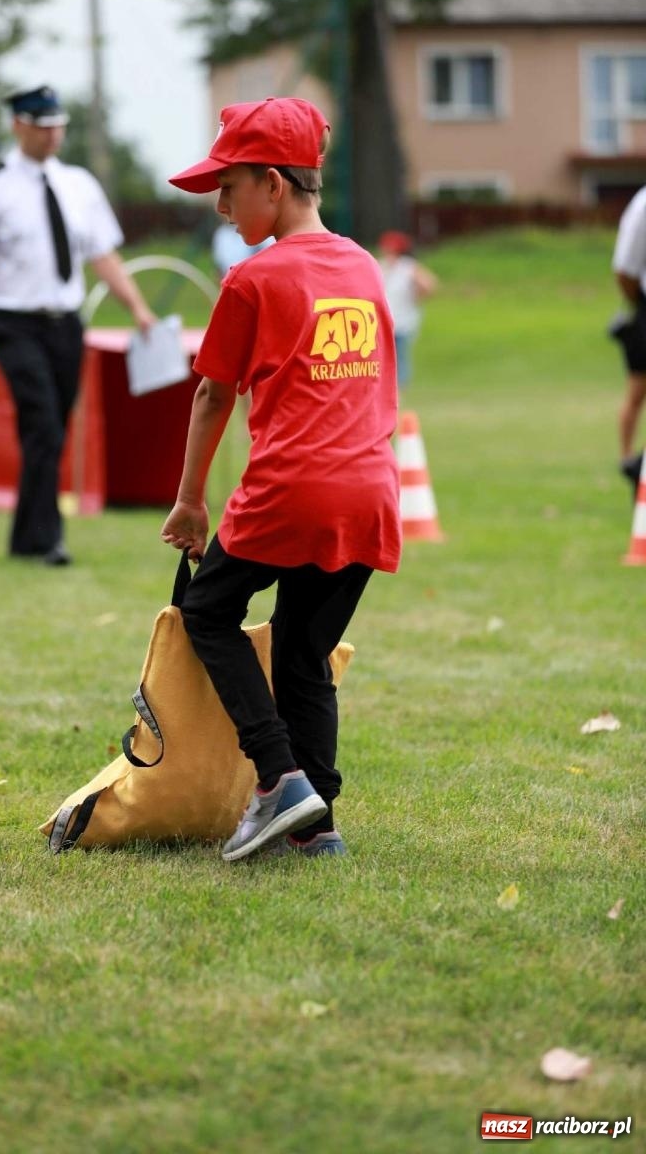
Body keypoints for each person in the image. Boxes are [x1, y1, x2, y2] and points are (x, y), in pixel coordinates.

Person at [161, 97, 401, 862]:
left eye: (228, 188)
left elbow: (212, 394)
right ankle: (317, 825)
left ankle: (277, 778)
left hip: (291, 489)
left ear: (273, 182)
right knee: (304, 653)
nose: (221, 206)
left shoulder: (252, 279)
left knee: (207, 612)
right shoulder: (363, 266)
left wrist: (191, 501)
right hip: (368, 493)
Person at [0, 85, 155, 566]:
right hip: (12, 320)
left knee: (52, 427)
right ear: (18, 125)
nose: (52, 135)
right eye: (42, 127)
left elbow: (103, 255)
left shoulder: (78, 184)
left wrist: (138, 308)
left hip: (65, 323)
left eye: (58, 126)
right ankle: (47, 539)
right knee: (42, 422)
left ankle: (25, 536)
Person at [611, 184, 646, 487]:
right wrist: (637, 304)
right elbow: (625, 269)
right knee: (637, 389)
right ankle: (628, 461)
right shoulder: (643, 205)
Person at [376, 230, 438, 389]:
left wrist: (417, 295)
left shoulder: (408, 267)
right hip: (382, 321)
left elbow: (429, 285)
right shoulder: (380, 265)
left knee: (400, 357)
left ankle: (399, 389)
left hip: (403, 321)